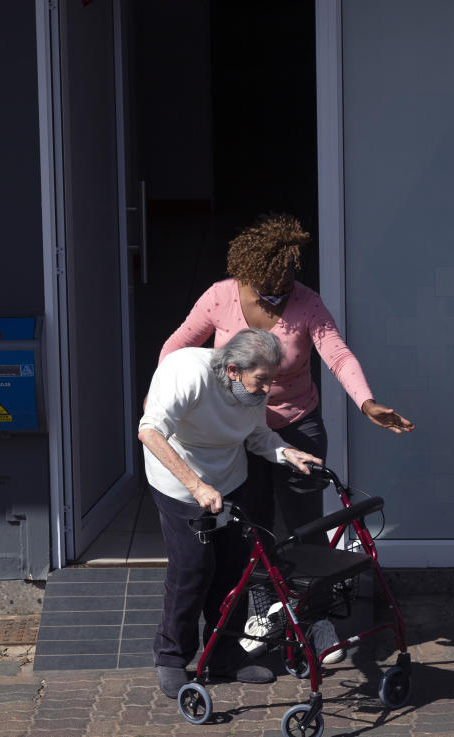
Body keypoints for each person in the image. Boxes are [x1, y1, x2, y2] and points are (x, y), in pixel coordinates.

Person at [157, 212, 413, 661]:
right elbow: (176, 348)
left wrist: (367, 402)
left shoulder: (307, 303)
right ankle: (262, 607)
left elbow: (337, 353)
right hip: (236, 427)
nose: (277, 294)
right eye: (267, 286)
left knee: (304, 526)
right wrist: (167, 400)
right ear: (248, 273)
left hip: (297, 424)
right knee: (250, 526)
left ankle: (316, 619)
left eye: (286, 283)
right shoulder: (220, 298)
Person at [138, 328, 322, 699]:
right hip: (179, 481)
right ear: (233, 370)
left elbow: (258, 436)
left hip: (229, 477)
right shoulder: (187, 373)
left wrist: (286, 452)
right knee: (192, 566)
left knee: (233, 568)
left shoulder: (251, 388)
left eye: (271, 379)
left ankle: (224, 655)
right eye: (261, 380)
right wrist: (196, 486)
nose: (266, 389)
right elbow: (150, 432)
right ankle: (172, 657)